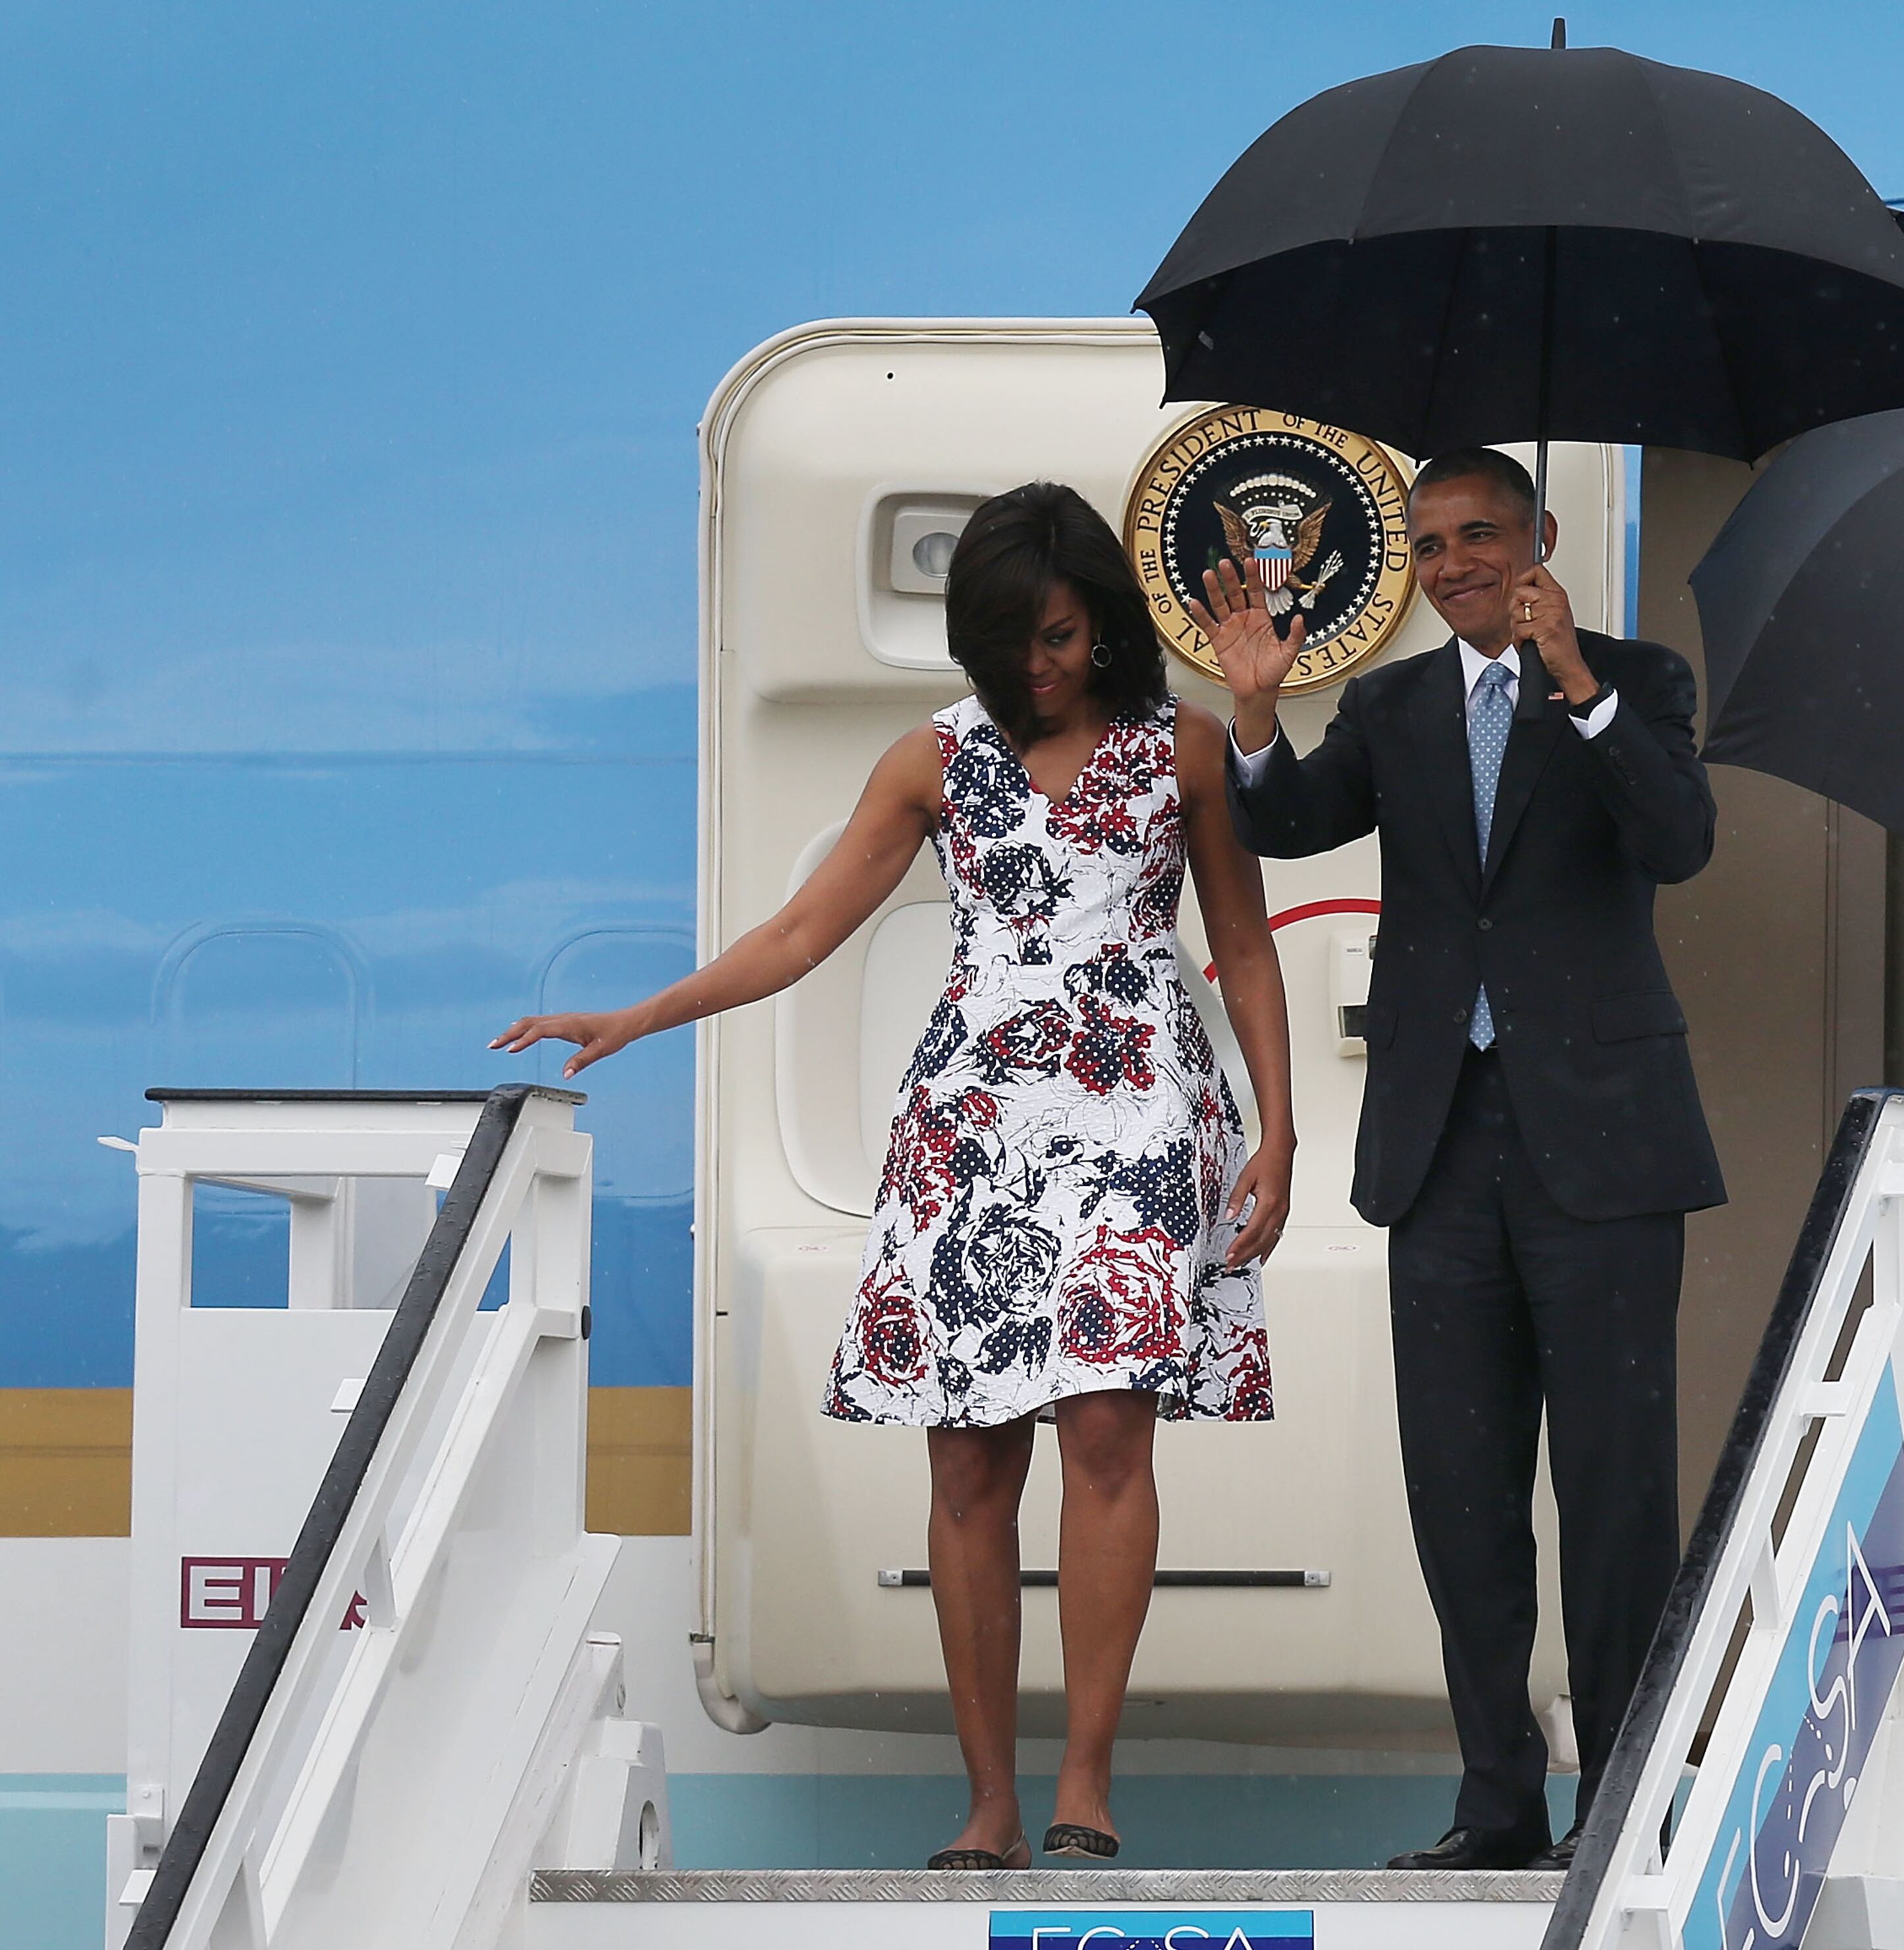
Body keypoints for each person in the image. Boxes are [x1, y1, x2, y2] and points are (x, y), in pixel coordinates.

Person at [491, 481, 1295, 1870]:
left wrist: (1280, 1132)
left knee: (1108, 1437)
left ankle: (1085, 1782)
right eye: (1010, 641)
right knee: (971, 1458)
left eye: (1058, 635)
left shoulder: (1191, 750)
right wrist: (638, 1014)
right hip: (971, 1123)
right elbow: (803, 932)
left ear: (1101, 618)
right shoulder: (932, 758)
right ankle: (988, 1798)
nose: (1038, 665)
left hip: (1138, 1113)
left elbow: (1248, 945)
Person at [1193, 447, 1724, 1872]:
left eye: (1480, 535)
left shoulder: (1637, 680)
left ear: (1541, 537)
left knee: (1616, 1493)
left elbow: (1680, 840)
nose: (1454, 564)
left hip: (1602, 1150)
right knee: (1463, 1492)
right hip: (1439, 1144)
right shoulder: (1394, 701)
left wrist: (1580, 686)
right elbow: (1291, 822)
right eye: (1430, 546)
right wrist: (1254, 711)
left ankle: (1620, 1804)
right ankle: (1498, 1806)